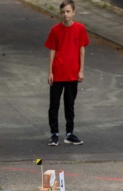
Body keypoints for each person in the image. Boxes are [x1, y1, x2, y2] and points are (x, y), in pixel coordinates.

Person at [45, 0, 89, 146]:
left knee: (70, 105)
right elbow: (52, 50)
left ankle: (69, 134)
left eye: (68, 11)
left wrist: (81, 70)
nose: (65, 14)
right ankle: (54, 134)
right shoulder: (55, 30)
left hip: (72, 74)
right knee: (54, 105)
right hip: (58, 73)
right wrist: (50, 71)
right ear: (60, 13)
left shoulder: (80, 28)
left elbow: (82, 50)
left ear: (74, 12)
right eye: (63, 12)